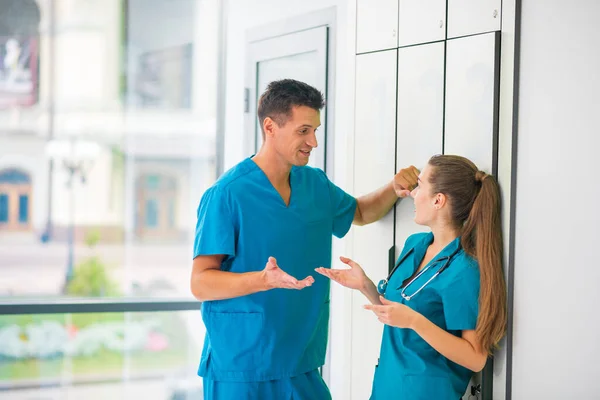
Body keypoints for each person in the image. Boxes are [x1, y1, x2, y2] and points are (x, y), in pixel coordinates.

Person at [191, 78, 420, 400]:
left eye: (315, 130)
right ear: (270, 127)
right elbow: (201, 283)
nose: (313, 141)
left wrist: (393, 188)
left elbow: (361, 212)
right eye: (303, 131)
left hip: (301, 360)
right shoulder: (227, 194)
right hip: (241, 365)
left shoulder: (314, 184)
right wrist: (262, 280)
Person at [317, 154, 507, 399]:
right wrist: (366, 286)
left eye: (420, 185)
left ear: (438, 200)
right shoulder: (414, 245)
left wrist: (416, 321)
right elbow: (398, 314)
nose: (412, 194)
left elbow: (475, 358)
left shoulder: (464, 269)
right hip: (387, 385)